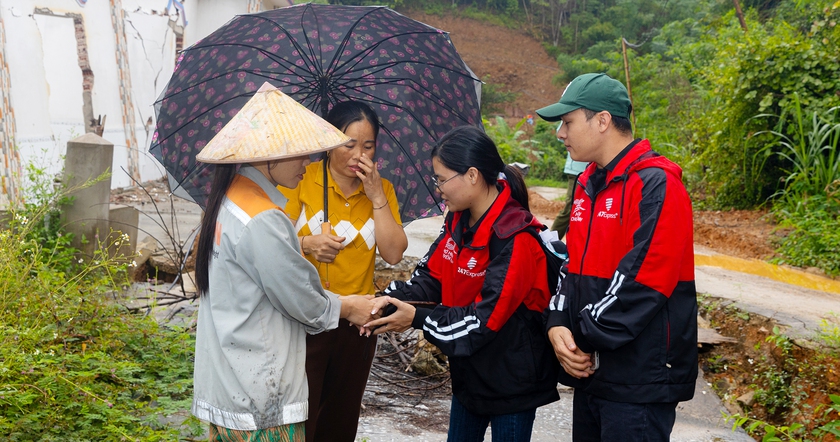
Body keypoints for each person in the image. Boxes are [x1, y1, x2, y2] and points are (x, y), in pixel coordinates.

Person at [191, 85, 376, 440]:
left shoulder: (232, 200)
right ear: (269, 154)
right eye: (300, 154)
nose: (308, 164)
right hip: (259, 396)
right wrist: (348, 306)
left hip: (231, 382)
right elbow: (303, 301)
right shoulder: (263, 219)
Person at [364, 125, 560, 442]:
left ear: (471, 175)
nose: (438, 188)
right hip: (470, 375)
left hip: (511, 385)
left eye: (442, 179)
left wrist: (415, 317)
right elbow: (428, 280)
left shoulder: (516, 240)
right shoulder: (457, 220)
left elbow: (481, 323)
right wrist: (379, 302)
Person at [535, 72, 697, 441]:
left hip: (638, 379)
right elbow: (571, 264)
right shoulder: (588, 183)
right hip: (593, 371)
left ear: (603, 120)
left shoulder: (656, 184)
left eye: (568, 121)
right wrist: (557, 320)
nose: (560, 133)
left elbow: (645, 280)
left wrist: (582, 336)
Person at [278, 100, 408, 442]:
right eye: (348, 144)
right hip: (307, 315)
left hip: (357, 323)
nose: (357, 155)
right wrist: (307, 244)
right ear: (329, 141)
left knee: (341, 415)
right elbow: (272, 240)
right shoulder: (302, 179)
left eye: (368, 146)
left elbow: (394, 253)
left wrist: (377, 195)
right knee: (299, 412)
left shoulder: (382, 190)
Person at [550, 148, 588, 237]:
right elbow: (561, 135)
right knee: (571, 208)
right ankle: (550, 243)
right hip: (577, 171)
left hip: (598, 168)